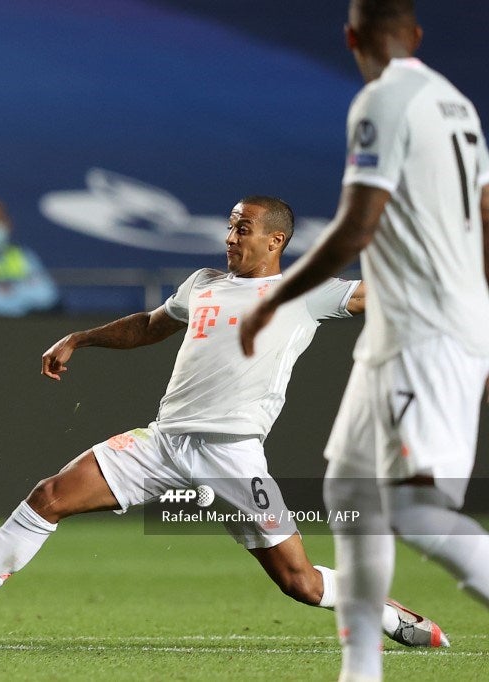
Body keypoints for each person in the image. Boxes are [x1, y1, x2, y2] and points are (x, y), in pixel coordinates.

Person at [0, 196, 447, 649]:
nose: (231, 238)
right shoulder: (203, 283)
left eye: (243, 229)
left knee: (298, 583)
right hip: (163, 442)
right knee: (51, 494)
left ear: (275, 241)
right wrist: (80, 338)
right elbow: (149, 325)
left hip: (234, 454)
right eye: (230, 227)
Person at [239, 3, 489, 680]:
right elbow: (486, 215)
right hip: (415, 326)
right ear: (418, 36)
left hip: (425, 328)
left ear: (351, 37)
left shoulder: (382, 100)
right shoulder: (456, 105)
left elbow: (356, 226)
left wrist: (276, 301)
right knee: (348, 487)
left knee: (411, 506)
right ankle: (360, 672)